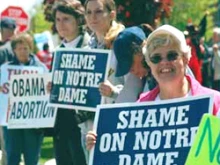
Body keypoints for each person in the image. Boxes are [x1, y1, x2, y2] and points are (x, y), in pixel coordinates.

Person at [86, 24, 220, 150]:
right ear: (149, 63)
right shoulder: (141, 107)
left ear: (185, 58)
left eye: (172, 56)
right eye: (156, 58)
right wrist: (101, 145)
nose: (164, 63)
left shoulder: (213, 102)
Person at [49, 1, 90, 165]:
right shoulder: (58, 51)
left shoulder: (92, 47)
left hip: (83, 122)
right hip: (61, 123)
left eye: (66, 19)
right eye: (57, 20)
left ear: (79, 20)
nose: (61, 24)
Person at [1, 33, 47, 165]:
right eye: (19, 48)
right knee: (12, 156)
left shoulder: (41, 69)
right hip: (10, 121)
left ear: (30, 49)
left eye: (25, 48)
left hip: (33, 121)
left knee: (32, 158)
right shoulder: (4, 69)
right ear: (14, 50)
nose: (22, 51)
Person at [0, 17, 17, 165]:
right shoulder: (20, 47)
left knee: (7, 143)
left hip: (6, 103)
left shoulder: (4, 50)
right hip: (16, 103)